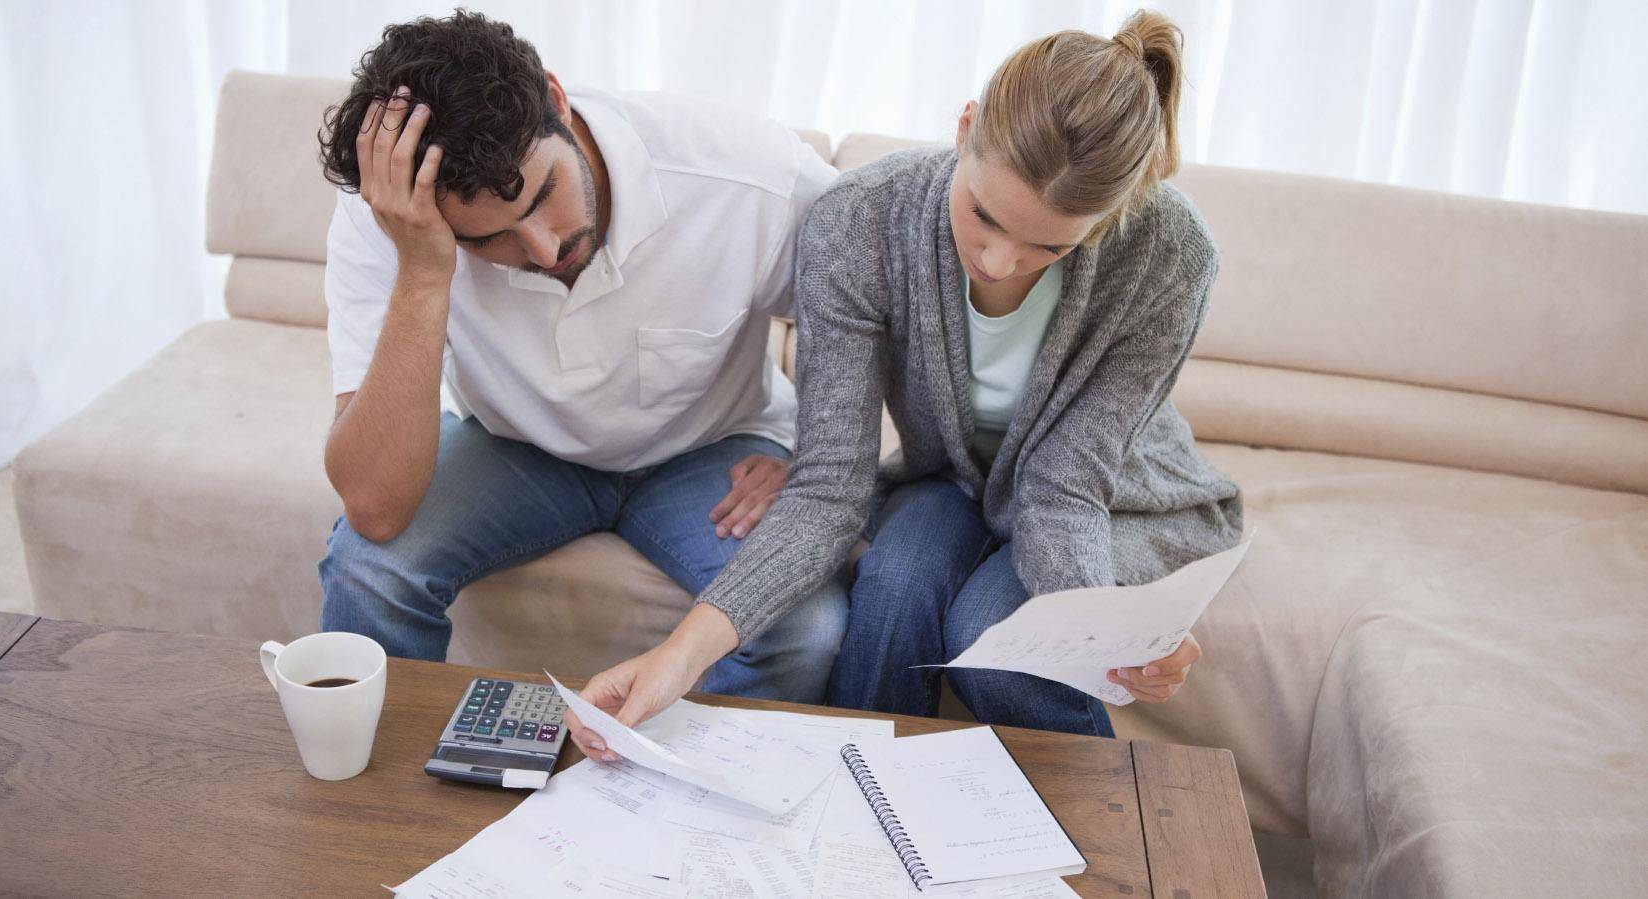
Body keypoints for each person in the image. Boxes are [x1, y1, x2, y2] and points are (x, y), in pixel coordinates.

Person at [567, 10, 1242, 756]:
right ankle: (861, 824)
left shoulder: (1170, 251)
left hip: (1112, 501)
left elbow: (1064, 484)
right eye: (982, 213)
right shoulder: (857, 222)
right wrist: (677, 657)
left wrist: (1103, 634)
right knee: (891, 588)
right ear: (964, 128)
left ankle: (1116, 844)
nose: (996, 259)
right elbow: (829, 489)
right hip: (951, 481)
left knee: (991, 635)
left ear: (1111, 213)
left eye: (1047, 246)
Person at [313, 10, 847, 703]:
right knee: (368, 569)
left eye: (543, 194)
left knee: (803, 625)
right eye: (488, 239)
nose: (542, 248)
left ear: (558, 101)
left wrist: (817, 459)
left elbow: (889, 315)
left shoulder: (749, 174)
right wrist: (423, 269)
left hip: (710, 448)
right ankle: (393, 807)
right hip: (517, 449)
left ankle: (700, 804)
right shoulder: (389, 215)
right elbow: (375, 508)